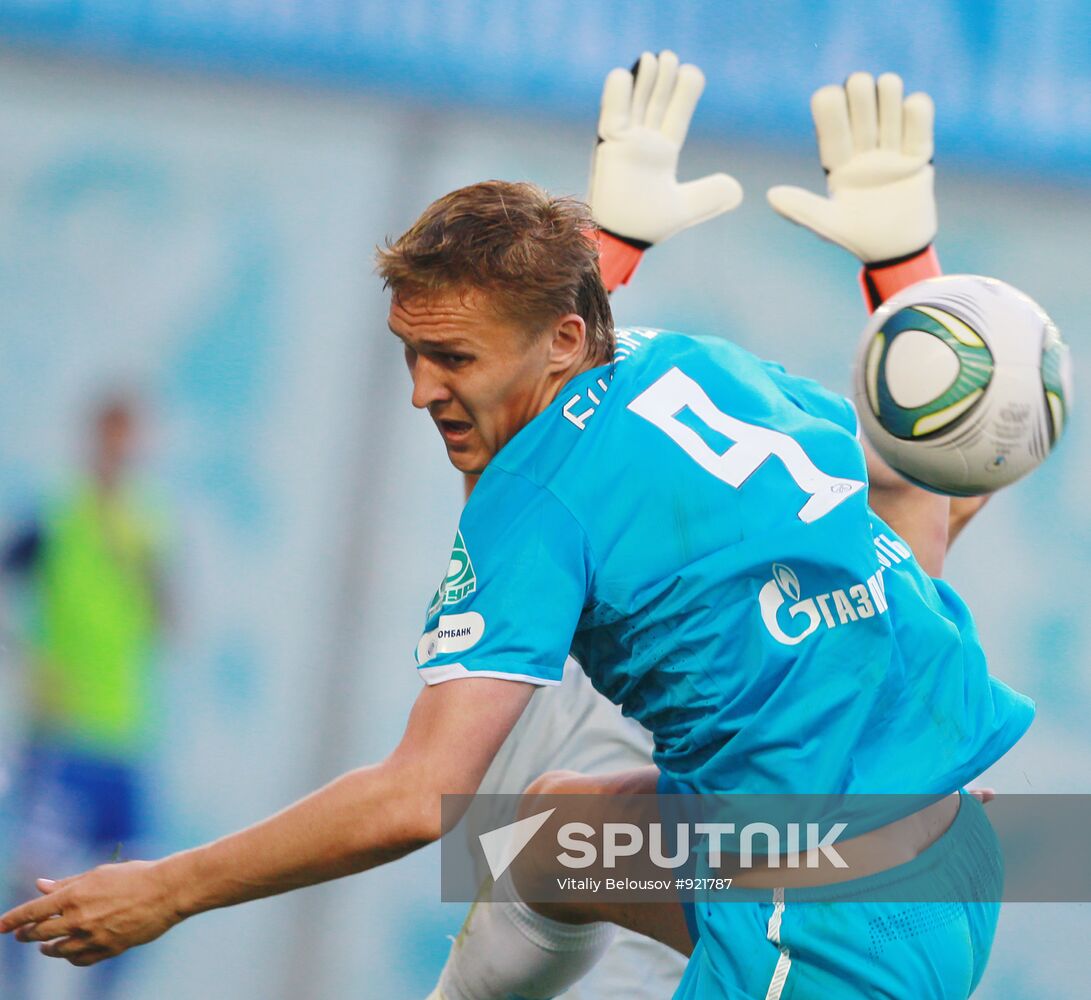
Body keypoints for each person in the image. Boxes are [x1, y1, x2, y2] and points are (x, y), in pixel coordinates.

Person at [0, 78, 1031, 1000]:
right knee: (551, 838)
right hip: (946, 847)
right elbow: (922, 488)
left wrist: (168, 890)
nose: (421, 391)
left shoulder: (534, 499)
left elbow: (415, 800)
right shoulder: (694, 364)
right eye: (409, 351)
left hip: (825, 922)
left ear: (564, 339)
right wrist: (906, 276)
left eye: (450, 358)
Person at [0, 395, 167, 999]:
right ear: (93, 441)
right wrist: (28, 661)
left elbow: (169, 620)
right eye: (111, 438)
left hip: (125, 738)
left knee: (138, 889)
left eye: (131, 440)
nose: (121, 452)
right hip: (63, 738)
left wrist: (145, 576)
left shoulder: (148, 528)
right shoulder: (57, 518)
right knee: (32, 885)